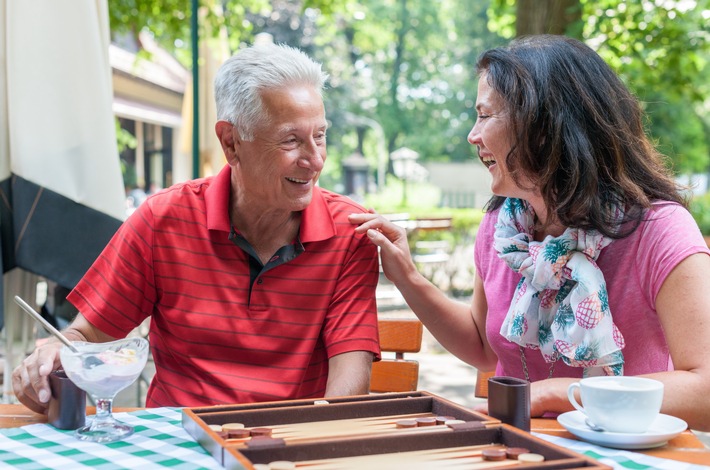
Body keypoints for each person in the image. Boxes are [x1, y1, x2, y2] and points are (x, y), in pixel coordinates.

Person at [350, 35, 710, 431]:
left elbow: (705, 389)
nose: (473, 135)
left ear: (544, 125)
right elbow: (483, 348)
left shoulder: (660, 231)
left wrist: (561, 394)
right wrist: (408, 277)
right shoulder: (503, 231)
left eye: (485, 115)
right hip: (524, 451)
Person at [14, 43, 381, 414]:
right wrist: (54, 353)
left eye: (320, 135)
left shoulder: (350, 233)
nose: (315, 160)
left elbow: (347, 391)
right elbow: (87, 336)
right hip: (178, 443)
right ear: (231, 142)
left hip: (288, 445)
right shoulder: (162, 219)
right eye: (291, 140)